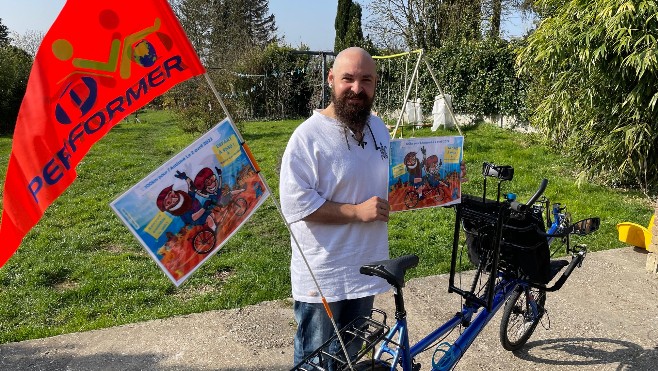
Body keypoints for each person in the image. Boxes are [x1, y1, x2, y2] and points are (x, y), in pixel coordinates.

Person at [279, 47, 391, 367]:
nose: (357, 88)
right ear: (331, 80)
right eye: (348, 79)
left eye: (366, 80)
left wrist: (435, 179)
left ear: (375, 83)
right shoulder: (307, 137)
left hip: (366, 269)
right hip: (323, 278)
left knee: (349, 360)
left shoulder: (378, 129)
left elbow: (394, 179)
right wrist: (356, 212)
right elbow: (296, 206)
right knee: (316, 362)